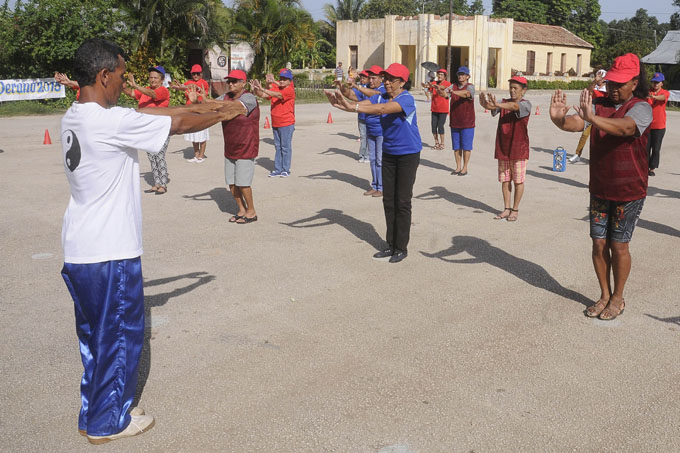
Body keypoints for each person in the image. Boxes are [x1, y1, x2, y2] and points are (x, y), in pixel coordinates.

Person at [60, 38, 243, 444]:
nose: (126, 83)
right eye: (122, 76)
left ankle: (96, 410)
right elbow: (174, 124)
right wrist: (227, 111)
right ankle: (110, 422)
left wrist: (210, 107)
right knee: (120, 335)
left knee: (95, 337)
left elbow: (151, 113)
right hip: (110, 250)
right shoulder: (109, 122)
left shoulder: (77, 115)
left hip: (80, 248)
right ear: (104, 75)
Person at [549, 53, 652, 320]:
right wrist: (559, 119)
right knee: (598, 244)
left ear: (634, 83)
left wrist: (593, 119)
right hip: (600, 187)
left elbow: (626, 128)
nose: (614, 89)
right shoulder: (599, 104)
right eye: (611, 83)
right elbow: (577, 123)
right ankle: (604, 294)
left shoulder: (641, 107)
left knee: (619, 246)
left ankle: (618, 298)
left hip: (629, 190)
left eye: (620, 84)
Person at [327, 63, 422, 263]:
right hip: (389, 153)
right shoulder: (381, 95)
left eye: (391, 79)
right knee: (388, 200)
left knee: (402, 201)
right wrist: (343, 95)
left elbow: (380, 109)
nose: (386, 82)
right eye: (385, 78)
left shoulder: (407, 99)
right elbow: (360, 100)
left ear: (402, 82)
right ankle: (391, 245)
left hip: (407, 154)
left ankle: (401, 247)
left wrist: (352, 107)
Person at [479, 75, 532, 222]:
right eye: (511, 88)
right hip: (503, 146)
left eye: (516, 88)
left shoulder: (526, 104)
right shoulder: (503, 102)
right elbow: (492, 108)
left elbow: (515, 107)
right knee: (505, 180)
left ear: (523, 90)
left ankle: (515, 209)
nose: (512, 91)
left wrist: (497, 104)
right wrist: (485, 104)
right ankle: (506, 208)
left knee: (518, 181)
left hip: (519, 148)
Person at [216, 69, 259, 223]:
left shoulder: (249, 98)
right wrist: (199, 100)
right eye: (229, 81)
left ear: (243, 83)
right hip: (230, 146)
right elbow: (214, 104)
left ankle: (251, 211)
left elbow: (232, 106)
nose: (231, 84)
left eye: (234, 81)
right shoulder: (226, 97)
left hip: (246, 146)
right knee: (232, 183)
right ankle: (241, 209)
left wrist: (208, 102)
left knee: (243, 183)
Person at [338, 66, 385, 196]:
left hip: (381, 130)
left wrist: (357, 86)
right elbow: (351, 96)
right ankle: (375, 185)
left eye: (373, 78)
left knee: (380, 159)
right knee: (373, 159)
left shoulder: (383, 89)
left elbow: (375, 95)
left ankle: (382, 187)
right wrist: (342, 87)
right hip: (370, 128)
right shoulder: (366, 89)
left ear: (381, 78)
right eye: (369, 77)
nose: (370, 80)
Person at [123, 65, 171, 194]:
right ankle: (156, 183)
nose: (152, 80)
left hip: (161, 129)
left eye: (155, 78)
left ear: (161, 80)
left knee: (159, 155)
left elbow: (153, 94)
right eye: (151, 77)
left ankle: (163, 184)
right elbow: (132, 93)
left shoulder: (163, 90)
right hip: (148, 129)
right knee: (152, 156)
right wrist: (122, 86)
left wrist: (136, 85)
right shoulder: (146, 90)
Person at [251, 68, 296, 177]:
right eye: (280, 78)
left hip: (286, 123)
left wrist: (265, 88)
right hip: (276, 122)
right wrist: (257, 89)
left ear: (290, 81)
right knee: (278, 146)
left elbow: (278, 95)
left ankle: (285, 169)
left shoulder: (289, 89)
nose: (282, 81)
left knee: (285, 147)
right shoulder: (276, 88)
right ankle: (278, 168)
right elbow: (263, 95)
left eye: (285, 79)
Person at [171, 64, 211, 163]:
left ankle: (201, 156)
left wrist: (185, 86)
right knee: (194, 134)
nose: (196, 75)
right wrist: (178, 87)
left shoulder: (204, 83)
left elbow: (196, 88)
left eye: (198, 73)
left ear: (201, 74)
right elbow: (183, 87)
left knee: (202, 134)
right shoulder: (189, 82)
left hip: (201, 111)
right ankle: (196, 155)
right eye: (194, 74)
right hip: (190, 112)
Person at [570, 69, 608, 163]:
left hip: (602, 115)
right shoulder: (594, 86)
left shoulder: (608, 88)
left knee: (600, 137)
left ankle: (599, 156)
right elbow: (588, 91)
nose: (599, 79)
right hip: (590, 113)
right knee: (585, 134)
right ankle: (577, 154)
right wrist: (594, 81)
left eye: (601, 77)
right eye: (597, 76)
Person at [444, 66, 475, 175]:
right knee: (456, 146)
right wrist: (439, 90)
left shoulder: (470, 87)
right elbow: (445, 95)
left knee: (466, 146)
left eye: (463, 74)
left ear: (467, 76)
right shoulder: (453, 86)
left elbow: (466, 94)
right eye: (459, 74)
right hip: (455, 121)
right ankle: (457, 167)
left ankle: (465, 167)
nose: (460, 76)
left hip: (467, 122)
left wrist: (453, 91)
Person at [646, 72, 669, 176]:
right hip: (647, 124)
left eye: (657, 82)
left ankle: (652, 168)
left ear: (662, 83)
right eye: (654, 82)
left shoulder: (665, 92)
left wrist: (653, 97)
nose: (655, 84)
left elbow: (662, 98)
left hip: (659, 126)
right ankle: (644, 166)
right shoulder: (648, 92)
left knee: (656, 148)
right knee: (646, 147)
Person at [426, 69, 451, 150]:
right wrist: (428, 85)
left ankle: (442, 143)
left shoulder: (448, 84)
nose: (440, 76)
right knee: (433, 126)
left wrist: (437, 86)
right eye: (439, 74)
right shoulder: (434, 83)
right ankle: (436, 143)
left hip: (443, 109)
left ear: (445, 76)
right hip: (434, 108)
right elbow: (428, 89)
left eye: (441, 75)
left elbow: (444, 88)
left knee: (440, 126)